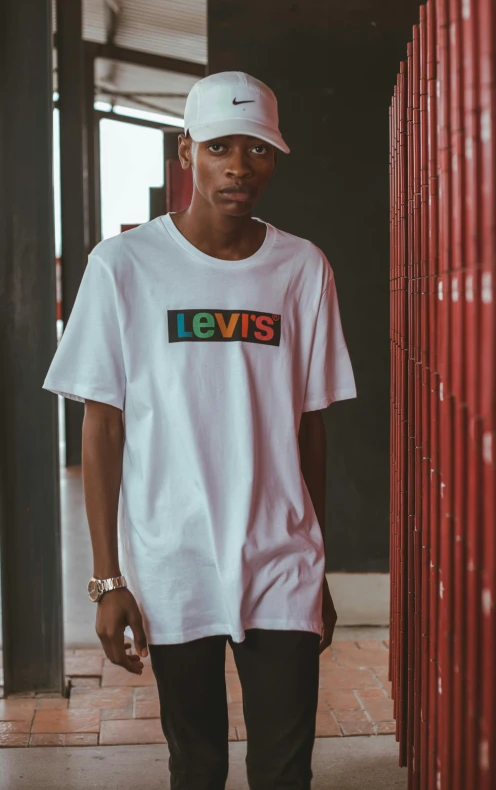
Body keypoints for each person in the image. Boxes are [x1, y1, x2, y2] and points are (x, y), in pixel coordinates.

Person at [42, 70, 357, 790]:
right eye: (220, 147)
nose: (239, 167)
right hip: (171, 561)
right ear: (186, 152)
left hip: (282, 559)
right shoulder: (123, 267)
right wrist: (106, 579)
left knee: (285, 771)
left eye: (257, 150)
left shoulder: (302, 268)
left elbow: (311, 428)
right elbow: (103, 428)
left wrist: (319, 566)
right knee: (199, 766)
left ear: (275, 158)